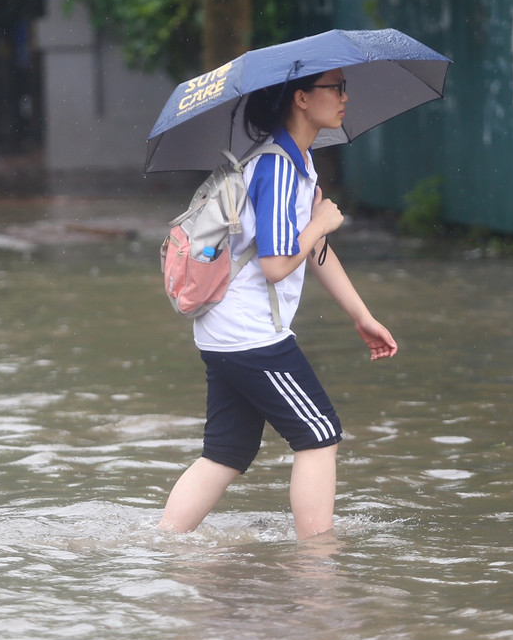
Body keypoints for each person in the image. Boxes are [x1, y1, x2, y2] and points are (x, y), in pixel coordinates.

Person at [158, 68, 399, 540]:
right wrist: (321, 223)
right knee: (319, 434)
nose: (345, 97)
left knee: (225, 451)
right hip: (251, 335)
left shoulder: (297, 164)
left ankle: (165, 546)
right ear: (303, 99)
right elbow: (276, 264)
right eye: (336, 88)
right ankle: (316, 564)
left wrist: (361, 315)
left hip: (224, 333)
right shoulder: (278, 167)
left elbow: (311, 252)